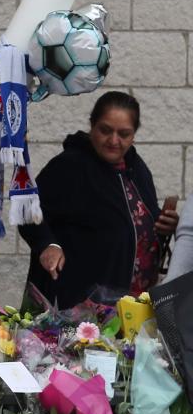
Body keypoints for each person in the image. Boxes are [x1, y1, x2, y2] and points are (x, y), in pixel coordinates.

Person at [19, 91, 178, 309]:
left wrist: (161, 223)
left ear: (134, 134)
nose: (114, 141)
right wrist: (48, 244)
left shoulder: (136, 167)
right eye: (105, 130)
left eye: (124, 134)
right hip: (81, 310)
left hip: (134, 305)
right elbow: (27, 210)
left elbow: (132, 216)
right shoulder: (69, 167)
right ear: (92, 124)